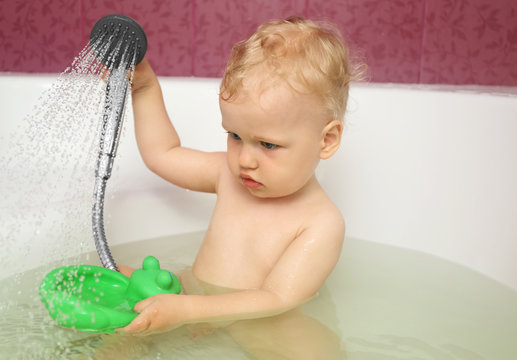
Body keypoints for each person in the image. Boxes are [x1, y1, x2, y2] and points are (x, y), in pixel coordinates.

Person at [118, 16, 360, 336]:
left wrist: (189, 311)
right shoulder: (227, 175)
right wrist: (145, 87)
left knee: (307, 348)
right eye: (234, 136)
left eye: (268, 144)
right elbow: (163, 154)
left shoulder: (320, 223)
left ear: (326, 140)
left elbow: (278, 298)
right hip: (191, 296)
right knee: (114, 308)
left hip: (258, 326)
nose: (245, 160)